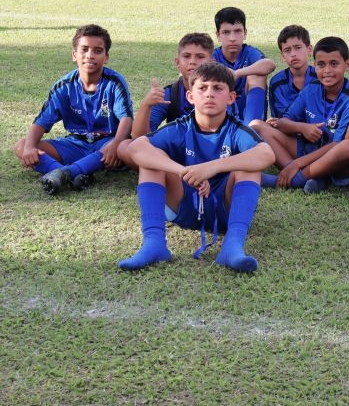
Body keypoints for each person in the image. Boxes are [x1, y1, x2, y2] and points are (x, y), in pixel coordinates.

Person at [118, 62, 274, 273]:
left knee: (249, 165)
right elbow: (137, 147)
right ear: (191, 97)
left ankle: (232, 246)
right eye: (203, 88)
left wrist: (210, 168)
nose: (209, 94)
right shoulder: (182, 127)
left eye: (218, 88)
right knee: (152, 161)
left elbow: (267, 154)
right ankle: (154, 244)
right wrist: (183, 171)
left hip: (224, 211)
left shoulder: (237, 130)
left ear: (231, 98)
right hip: (183, 205)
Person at [15, 24, 133, 194]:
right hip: (75, 145)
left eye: (97, 50)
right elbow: (41, 122)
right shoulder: (64, 86)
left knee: (126, 145)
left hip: (106, 146)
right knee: (22, 145)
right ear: (74, 55)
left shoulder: (114, 82)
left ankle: (67, 172)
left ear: (106, 57)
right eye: (84, 49)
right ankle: (74, 174)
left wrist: (115, 143)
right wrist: (29, 148)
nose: (90, 55)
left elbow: (127, 119)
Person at [249, 37, 349, 194]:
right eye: (321, 65)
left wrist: (296, 163)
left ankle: (295, 179)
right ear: (314, 65)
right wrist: (302, 127)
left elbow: (338, 144)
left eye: (334, 64)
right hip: (308, 148)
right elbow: (283, 121)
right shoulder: (312, 88)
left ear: (347, 65)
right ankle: (314, 178)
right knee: (256, 125)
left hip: (335, 157)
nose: (327, 71)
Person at [119, 32, 215, 166]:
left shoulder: (220, 91)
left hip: (211, 153)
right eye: (186, 56)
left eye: (200, 56)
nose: (192, 61)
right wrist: (146, 105)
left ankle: (167, 172)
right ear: (177, 62)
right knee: (125, 146)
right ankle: (173, 172)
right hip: (176, 156)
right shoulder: (170, 94)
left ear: (212, 62)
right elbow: (139, 137)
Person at [212, 7, 275, 124]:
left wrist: (237, 73)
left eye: (237, 31)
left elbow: (269, 65)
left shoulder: (250, 53)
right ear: (218, 35)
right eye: (226, 32)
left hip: (249, 119)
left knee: (257, 75)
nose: (232, 38)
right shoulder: (213, 56)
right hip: (220, 122)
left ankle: (250, 129)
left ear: (245, 33)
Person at [267, 24, 318, 119]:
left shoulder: (320, 78)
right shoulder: (277, 83)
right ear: (282, 56)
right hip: (286, 131)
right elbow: (278, 119)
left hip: (316, 131)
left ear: (309, 50)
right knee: (258, 125)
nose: (293, 54)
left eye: (298, 48)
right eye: (287, 50)